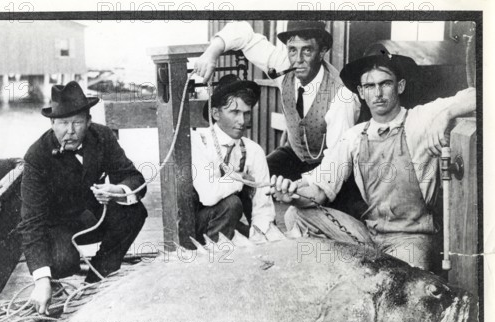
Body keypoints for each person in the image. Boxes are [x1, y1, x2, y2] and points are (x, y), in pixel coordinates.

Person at [271, 45, 476, 271]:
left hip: (411, 240)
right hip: (369, 236)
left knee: (402, 286)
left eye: (385, 84)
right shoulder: (354, 137)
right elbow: (319, 190)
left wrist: (445, 114)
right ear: (361, 92)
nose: (377, 93)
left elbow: (479, 93)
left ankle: (361, 272)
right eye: (369, 86)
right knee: (296, 214)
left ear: (400, 86)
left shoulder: (419, 119)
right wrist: (291, 192)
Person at [194, 20, 365, 217]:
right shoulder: (284, 66)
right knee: (252, 178)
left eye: (307, 51)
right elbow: (243, 33)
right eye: (292, 50)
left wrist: (301, 185)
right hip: (295, 155)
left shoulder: (342, 97)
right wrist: (212, 53)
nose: (297, 60)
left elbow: (336, 163)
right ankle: (254, 231)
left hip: (331, 165)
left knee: (322, 215)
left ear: (322, 51)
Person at [19, 81, 147, 314]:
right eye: (63, 123)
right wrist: (41, 280)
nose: (70, 131)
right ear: (52, 124)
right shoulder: (36, 156)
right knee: (63, 261)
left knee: (134, 213)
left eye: (77, 122)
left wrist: (117, 190)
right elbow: (31, 222)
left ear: (88, 121)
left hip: (90, 216)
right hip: (56, 225)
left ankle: (96, 282)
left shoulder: (103, 137)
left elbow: (134, 179)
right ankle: (54, 284)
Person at [191, 74, 281, 243]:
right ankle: (214, 260)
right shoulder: (199, 142)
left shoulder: (253, 151)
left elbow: (263, 206)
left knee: (263, 235)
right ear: (216, 113)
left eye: (246, 114)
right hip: (196, 226)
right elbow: (208, 195)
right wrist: (240, 180)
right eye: (235, 112)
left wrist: (259, 239)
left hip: (226, 222)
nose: (242, 121)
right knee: (231, 204)